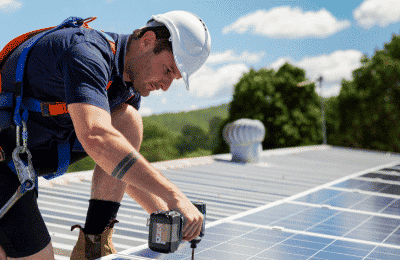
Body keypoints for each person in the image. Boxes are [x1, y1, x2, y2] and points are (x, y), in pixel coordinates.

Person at [0, 10, 211, 260]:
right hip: (4, 164)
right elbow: (96, 137)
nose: (166, 85)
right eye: (167, 70)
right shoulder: (85, 52)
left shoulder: (127, 88)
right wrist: (174, 196)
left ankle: (93, 243)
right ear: (147, 41)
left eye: (174, 78)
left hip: (23, 159)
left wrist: (164, 213)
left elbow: (120, 166)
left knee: (127, 121)